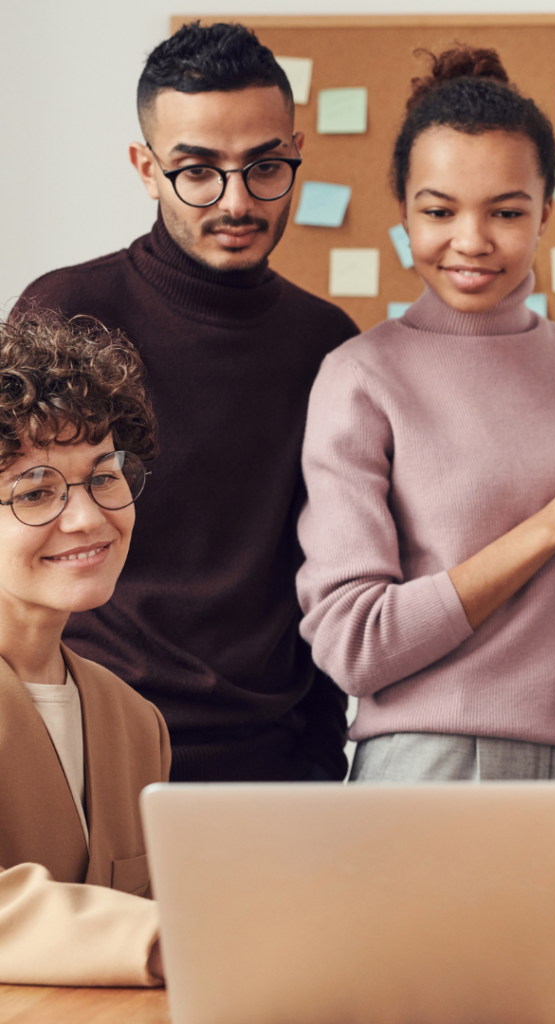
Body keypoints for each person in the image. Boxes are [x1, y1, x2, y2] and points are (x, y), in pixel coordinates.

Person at [14, 23, 358, 782]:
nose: (236, 200)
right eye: (198, 171)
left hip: (273, 770)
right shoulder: (68, 311)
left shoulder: (329, 342)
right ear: (145, 167)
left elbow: (330, 573)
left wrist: (319, 760)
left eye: (265, 166)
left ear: (296, 151)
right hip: (93, 752)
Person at [297, 47, 555, 782]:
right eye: (438, 211)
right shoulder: (362, 376)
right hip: (424, 765)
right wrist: (552, 528)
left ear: (546, 211)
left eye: (506, 212)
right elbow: (354, 642)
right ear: (403, 209)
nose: (470, 241)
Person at [0, 313, 168, 987]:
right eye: (35, 491)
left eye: (104, 475)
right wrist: (179, 936)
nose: (89, 518)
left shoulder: (135, 722)